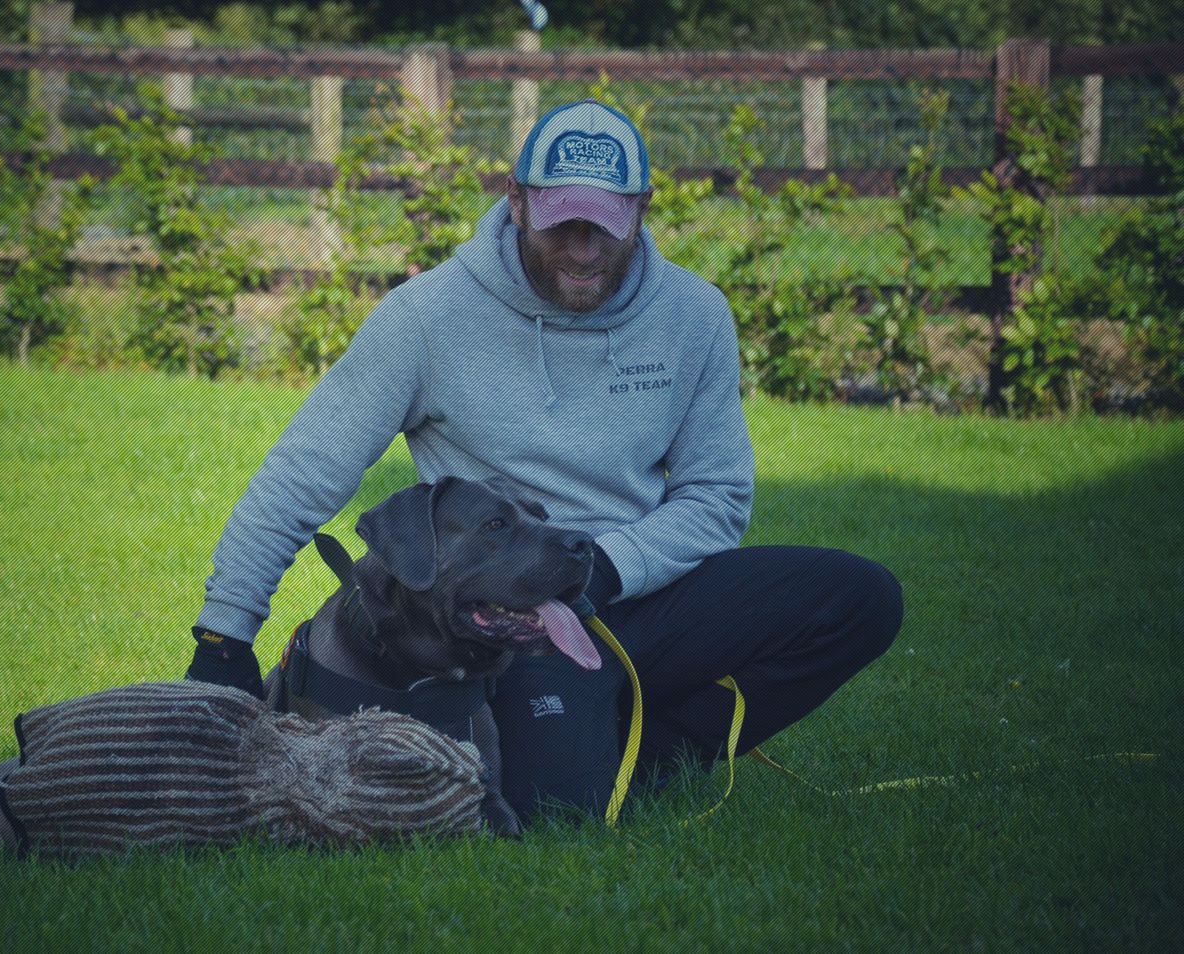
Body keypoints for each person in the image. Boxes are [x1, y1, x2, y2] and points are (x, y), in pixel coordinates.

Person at [186, 100, 903, 823]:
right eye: (562, 224)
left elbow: (715, 496)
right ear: (517, 201)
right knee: (558, 812)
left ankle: (656, 750)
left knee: (861, 598)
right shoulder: (426, 317)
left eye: (605, 227)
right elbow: (302, 474)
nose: (583, 251)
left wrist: (606, 569)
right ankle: (586, 748)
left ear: (643, 208)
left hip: (633, 585)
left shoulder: (696, 315)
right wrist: (224, 636)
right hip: (509, 618)